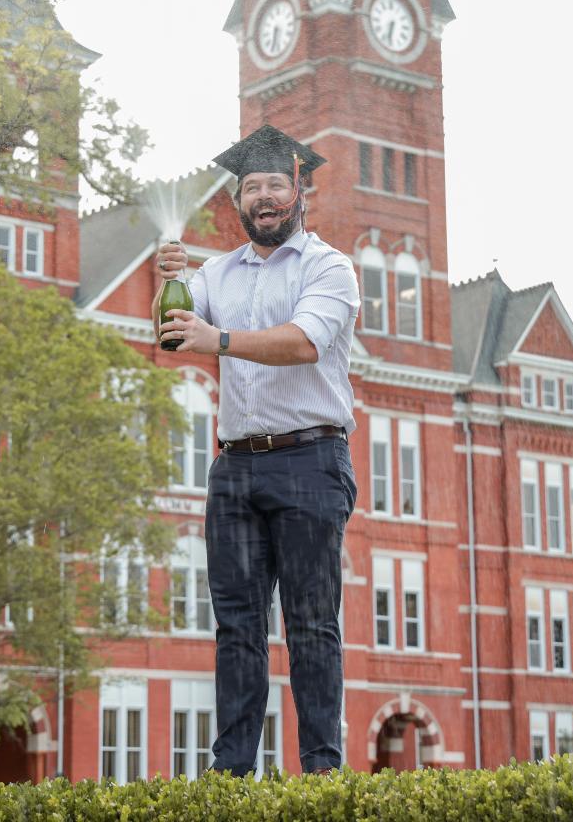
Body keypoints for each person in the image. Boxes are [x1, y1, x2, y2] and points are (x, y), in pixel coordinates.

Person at [153, 124, 360, 775]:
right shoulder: (214, 272)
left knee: (311, 623)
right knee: (237, 626)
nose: (263, 197)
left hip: (310, 462)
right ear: (238, 201)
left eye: (275, 184)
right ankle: (232, 773)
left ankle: (322, 771)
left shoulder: (328, 267)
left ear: (299, 192)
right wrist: (169, 283)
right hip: (236, 468)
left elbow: (303, 342)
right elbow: (173, 331)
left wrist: (218, 340)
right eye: (251, 188)